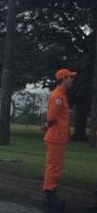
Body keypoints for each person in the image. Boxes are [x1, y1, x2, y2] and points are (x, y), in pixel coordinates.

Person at [41, 68, 76, 206]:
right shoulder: (58, 97)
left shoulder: (62, 95)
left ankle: (52, 192)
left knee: (56, 167)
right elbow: (51, 118)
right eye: (70, 77)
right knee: (54, 167)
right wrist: (46, 125)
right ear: (63, 79)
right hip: (55, 137)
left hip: (59, 138)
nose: (72, 80)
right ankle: (49, 195)